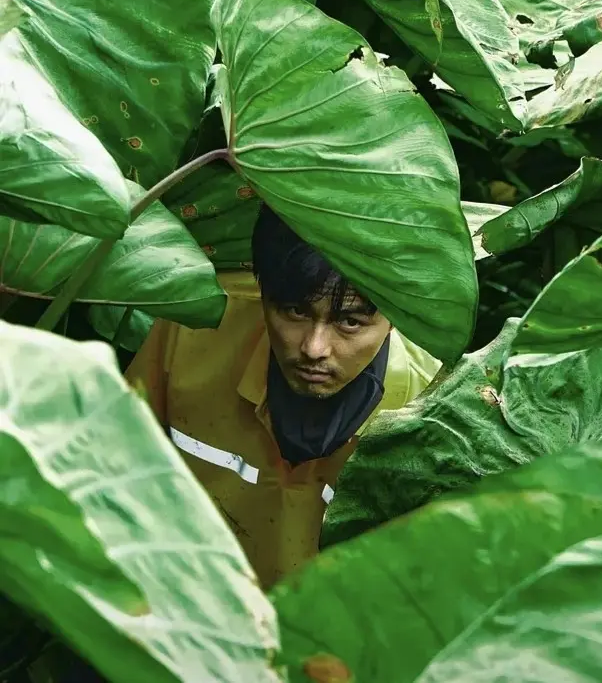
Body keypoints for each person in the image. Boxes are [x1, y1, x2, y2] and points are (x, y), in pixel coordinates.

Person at [124, 203, 441, 588]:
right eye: (294, 311)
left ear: (397, 317)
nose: (314, 348)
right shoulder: (197, 326)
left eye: (350, 321)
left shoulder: (433, 415)